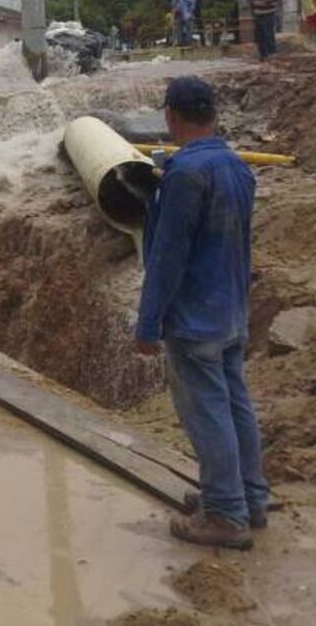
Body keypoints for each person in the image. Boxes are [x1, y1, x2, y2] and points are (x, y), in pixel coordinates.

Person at [134, 76, 268, 550]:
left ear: (170, 116)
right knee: (235, 406)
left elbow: (168, 257)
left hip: (195, 319)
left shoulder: (186, 175)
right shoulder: (236, 166)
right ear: (212, 114)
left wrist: (148, 323)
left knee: (208, 413)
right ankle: (248, 499)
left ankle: (226, 515)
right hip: (230, 311)